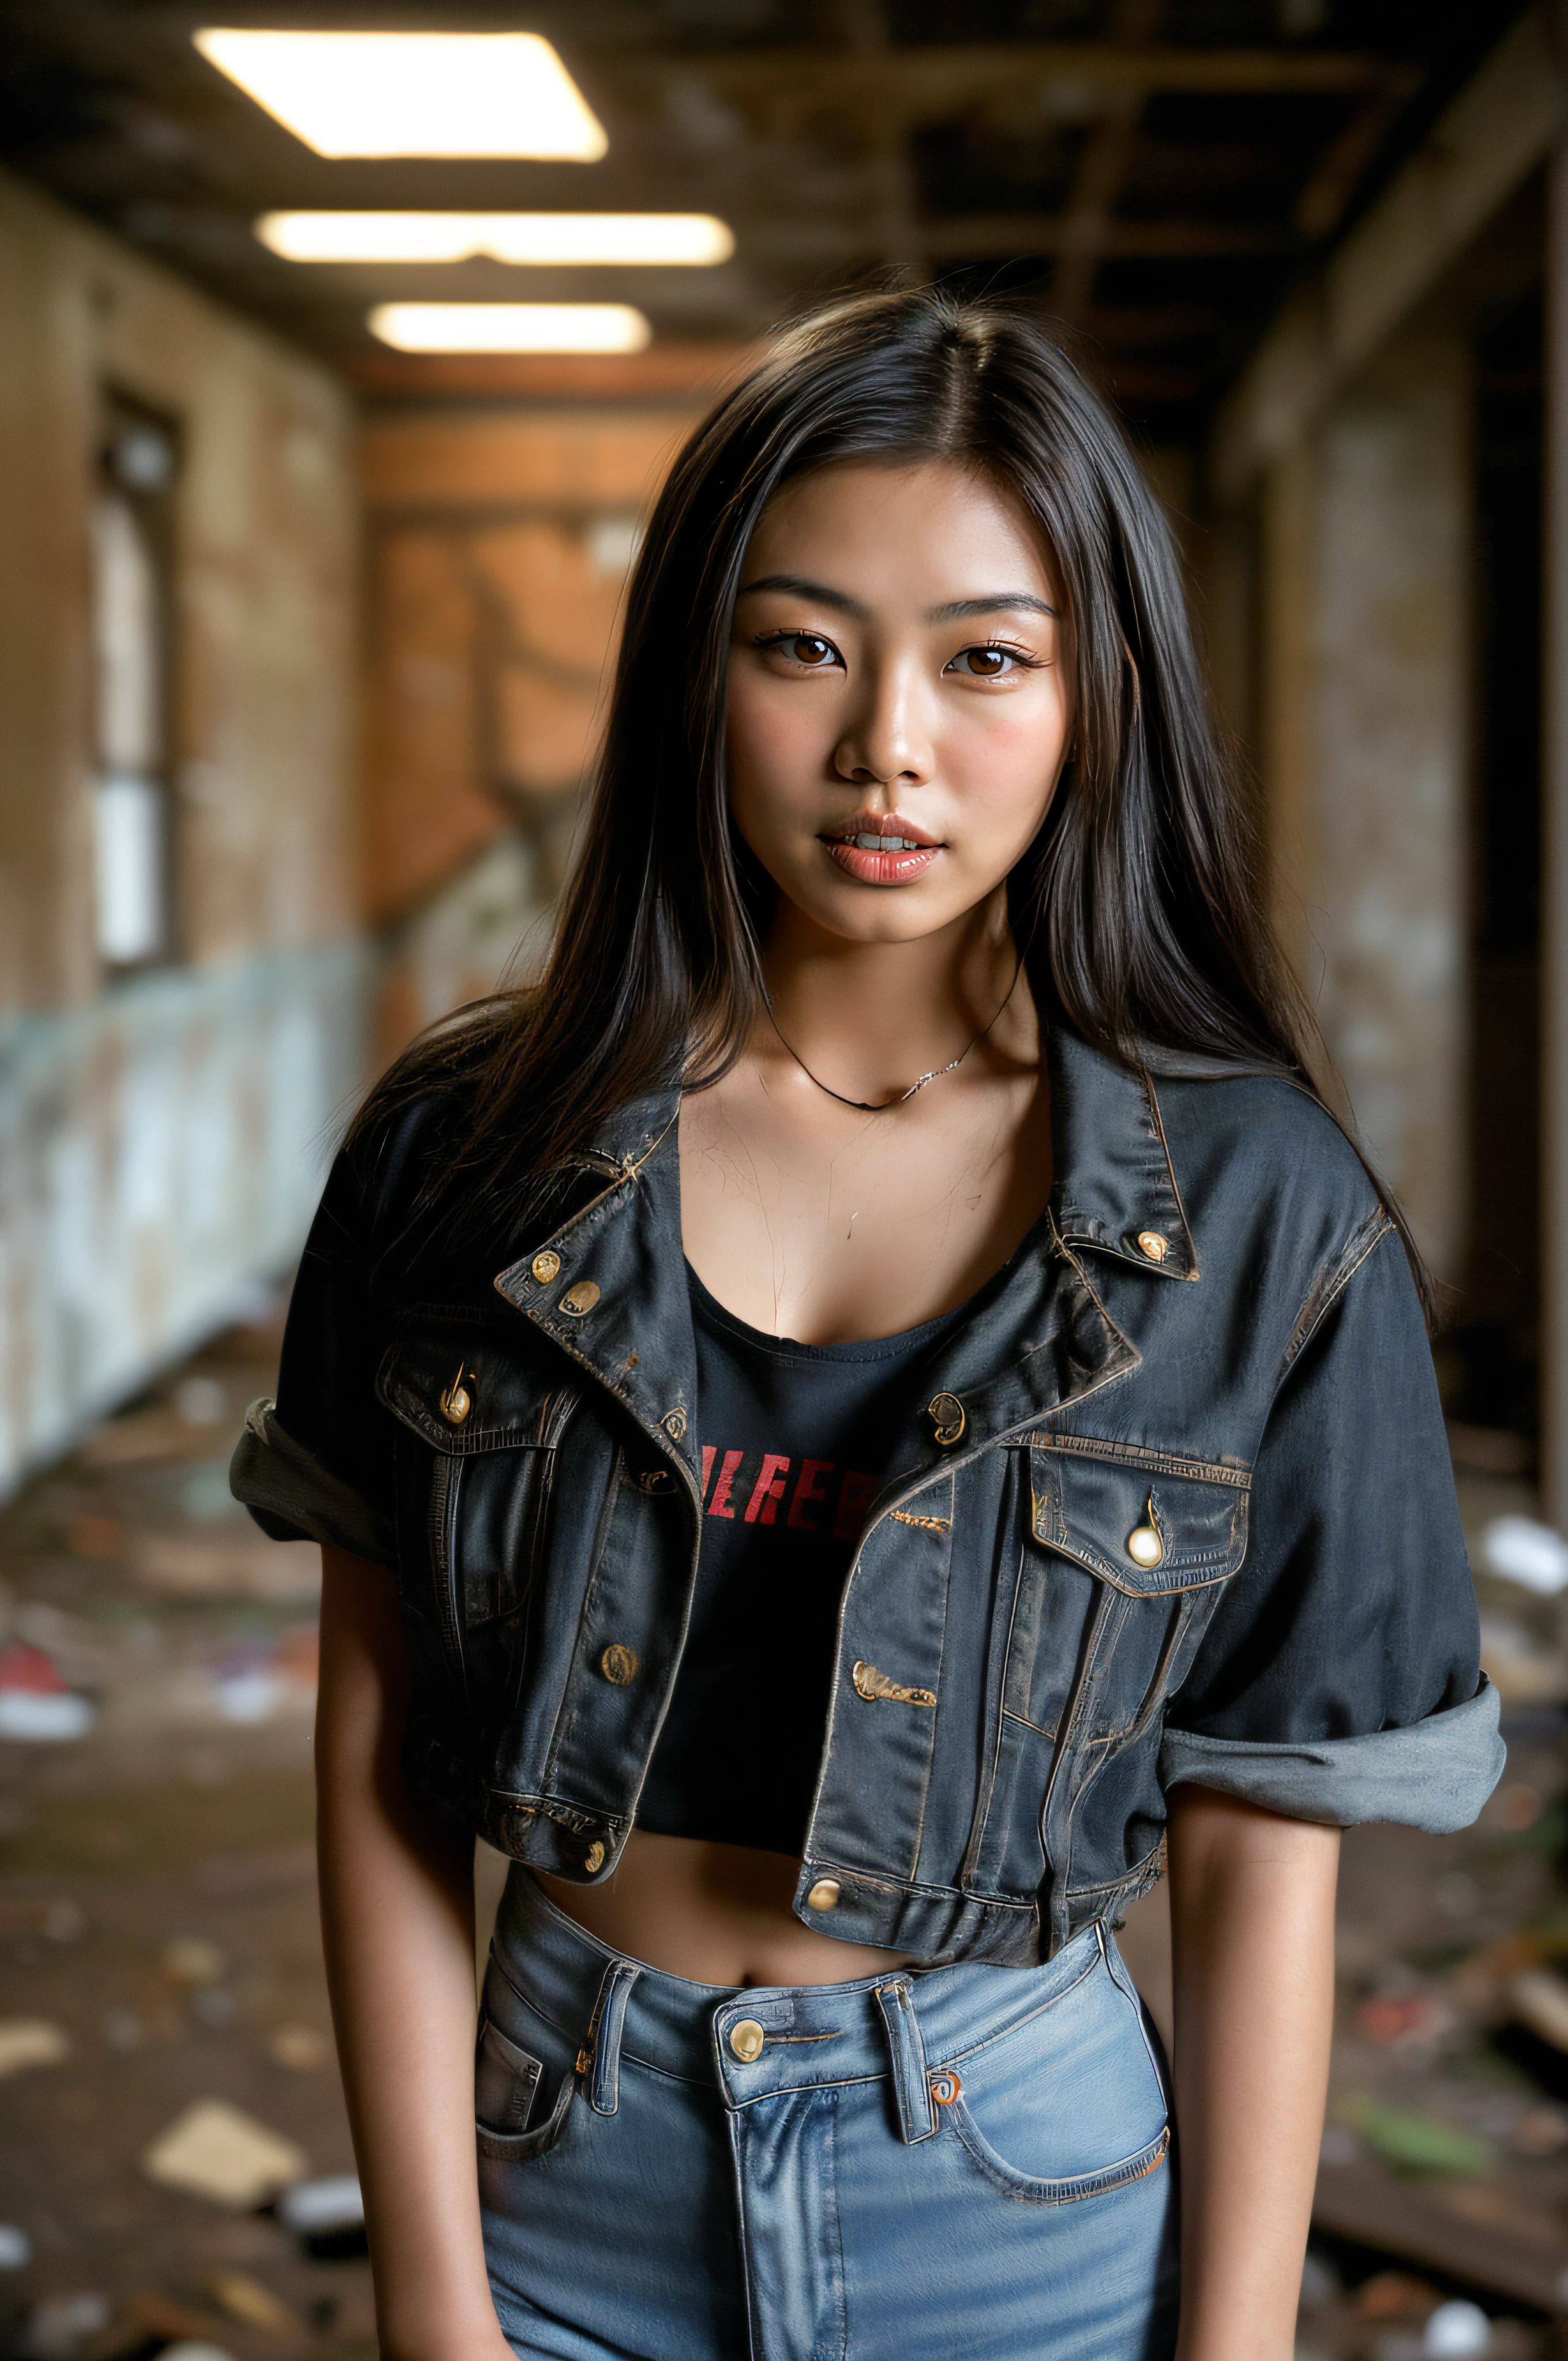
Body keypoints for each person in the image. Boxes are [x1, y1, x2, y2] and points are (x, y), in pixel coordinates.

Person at [232, 289, 1503, 2361]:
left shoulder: (1266, 1213)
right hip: (557, 2159)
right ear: (694, 674)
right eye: (801, 644)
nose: (884, 747)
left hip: (1014, 2196)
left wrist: (1239, 2348)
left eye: (986, 659)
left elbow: (1267, 1866)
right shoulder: (469, 1148)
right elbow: (375, 1759)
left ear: (1099, 696)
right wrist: (434, 2306)